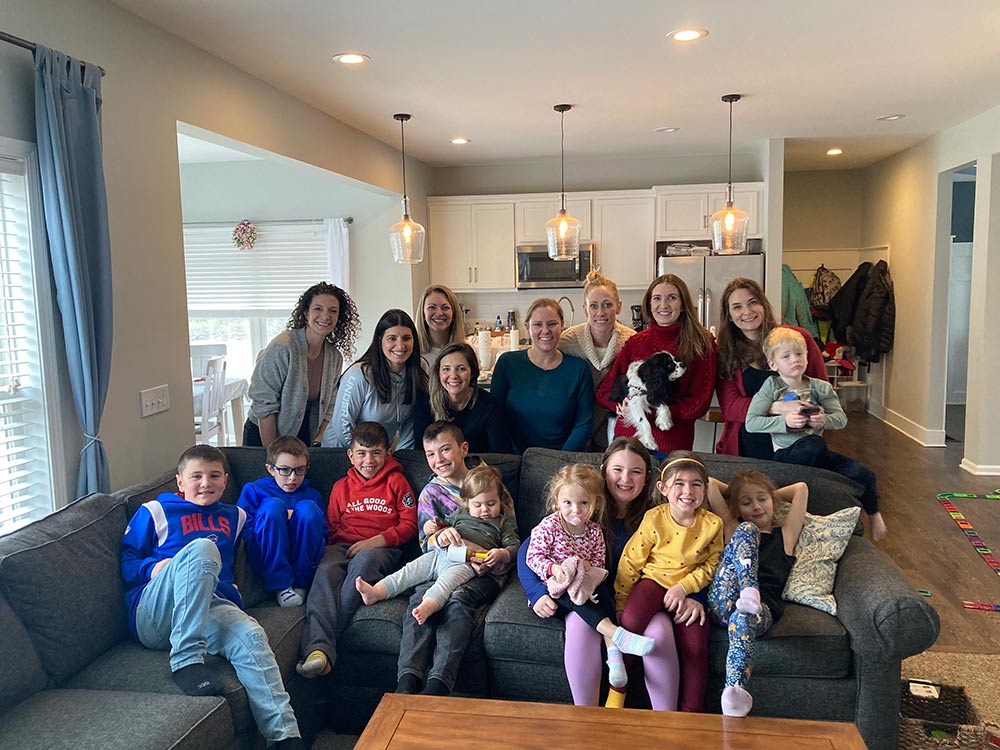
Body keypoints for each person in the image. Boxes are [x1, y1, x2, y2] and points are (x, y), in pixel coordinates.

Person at [120, 445, 304, 750]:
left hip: (211, 606)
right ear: (180, 482)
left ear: (225, 480)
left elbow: (265, 550)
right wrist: (154, 569)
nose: (205, 483)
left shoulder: (236, 516)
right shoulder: (156, 510)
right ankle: (186, 659)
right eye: (196, 476)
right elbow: (127, 561)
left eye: (214, 475)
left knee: (253, 637)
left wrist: (287, 518)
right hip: (155, 610)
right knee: (204, 547)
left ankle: (285, 737)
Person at [516, 438, 685, 709]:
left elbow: (683, 556)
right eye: (617, 469)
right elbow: (529, 549)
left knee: (660, 632)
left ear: (648, 478)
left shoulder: (659, 515)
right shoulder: (581, 504)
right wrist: (535, 593)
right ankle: (586, 720)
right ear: (604, 470)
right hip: (586, 597)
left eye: (636, 472)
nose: (625, 479)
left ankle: (668, 723)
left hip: (639, 599)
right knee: (580, 626)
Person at [388, 421, 510, 696]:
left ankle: (439, 683)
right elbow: (427, 545)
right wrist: (458, 549)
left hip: (485, 572)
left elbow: (510, 536)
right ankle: (407, 681)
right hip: (443, 565)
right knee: (420, 601)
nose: (438, 459)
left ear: (463, 449)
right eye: (431, 454)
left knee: (456, 601)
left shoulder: (490, 483)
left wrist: (487, 557)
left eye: (445, 450)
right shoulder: (431, 494)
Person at [297, 422, 417, 678]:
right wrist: (335, 550)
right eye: (361, 453)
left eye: (376, 453)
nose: (369, 460)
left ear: (388, 454)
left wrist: (375, 541)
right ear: (350, 455)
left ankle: (326, 645)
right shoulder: (341, 486)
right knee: (326, 572)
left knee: (363, 566)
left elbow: (410, 525)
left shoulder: (397, 482)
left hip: (381, 549)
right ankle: (317, 652)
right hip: (341, 545)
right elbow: (331, 526)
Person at [524, 464, 656, 695]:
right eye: (568, 503)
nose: (576, 509)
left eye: (583, 503)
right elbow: (532, 556)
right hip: (556, 589)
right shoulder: (549, 526)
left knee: (603, 593)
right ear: (557, 501)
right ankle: (616, 637)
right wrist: (553, 568)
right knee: (576, 593)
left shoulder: (594, 531)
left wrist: (588, 567)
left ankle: (614, 658)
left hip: (585, 586)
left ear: (595, 502)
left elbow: (599, 562)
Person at [745, 327, 887, 540]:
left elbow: (841, 419)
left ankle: (874, 514)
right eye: (786, 356)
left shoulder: (821, 387)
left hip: (818, 453)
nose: (795, 360)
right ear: (773, 364)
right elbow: (751, 423)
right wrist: (784, 422)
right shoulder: (771, 386)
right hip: (786, 453)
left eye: (799, 354)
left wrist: (823, 419)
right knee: (813, 444)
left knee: (864, 473)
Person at [615, 452, 723, 713]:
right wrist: (620, 601)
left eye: (696, 484)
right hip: (653, 580)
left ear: (706, 489)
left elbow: (712, 566)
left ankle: (691, 713)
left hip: (688, 590)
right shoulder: (654, 517)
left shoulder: (713, 524)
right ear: (663, 488)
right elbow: (632, 559)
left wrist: (685, 588)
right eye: (679, 484)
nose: (688, 491)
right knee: (629, 623)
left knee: (696, 645)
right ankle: (617, 691)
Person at [356, 462, 519, 625]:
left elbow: (514, 546)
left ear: (500, 501)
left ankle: (427, 606)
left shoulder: (501, 524)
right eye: (478, 505)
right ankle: (376, 592)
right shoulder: (459, 514)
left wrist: (502, 554)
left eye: (491, 504)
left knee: (445, 584)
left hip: (463, 564)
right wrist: (430, 526)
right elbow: (440, 524)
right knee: (408, 571)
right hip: (438, 554)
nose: (485, 510)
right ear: (467, 503)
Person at [704, 471, 808, 717]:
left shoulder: (786, 536)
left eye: (762, 499)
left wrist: (769, 494)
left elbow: (801, 487)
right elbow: (709, 483)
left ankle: (734, 692)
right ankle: (749, 590)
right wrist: (738, 490)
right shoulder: (734, 527)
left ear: (773, 501)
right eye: (746, 502)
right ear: (736, 508)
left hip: (760, 611)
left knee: (742, 618)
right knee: (748, 529)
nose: (757, 506)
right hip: (725, 597)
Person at [597, 275, 716, 455]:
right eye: (657, 298)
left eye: (672, 298)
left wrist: (650, 408)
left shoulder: (702, 344)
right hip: (625, 444)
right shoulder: (635, 342)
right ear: (649, 305)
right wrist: (620, 406)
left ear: (683, 304)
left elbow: (698, 404)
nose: (664, 305)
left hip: (670, 445)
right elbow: (604, 391)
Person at [715, 277, 827, 458]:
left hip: (798, 442)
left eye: (753, 303)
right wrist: (778, 407)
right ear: (728, 315)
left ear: (764, 305)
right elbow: (731, 407)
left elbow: (822, 391)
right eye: (737, 307)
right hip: (749, 445)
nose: (747, 311)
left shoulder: (799, 338)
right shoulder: (725, 352)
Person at [245, 281, 361, 447]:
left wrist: (318, 438)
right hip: (264, 435)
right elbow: (264, 405)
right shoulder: (282, 347)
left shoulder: (334, 357)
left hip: (304, 436)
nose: (325, 316)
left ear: (338, 317)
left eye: (333, 311)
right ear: (306, 313)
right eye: (318, 309)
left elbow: (331, 405)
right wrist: (273, 453)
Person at [491, 298, 593, 452]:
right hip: (516, 459)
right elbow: (496, 418)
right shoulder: (508, 364)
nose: (545, 331)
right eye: (538, 324)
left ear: (562, 325)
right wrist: (517, 459)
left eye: (552, 324)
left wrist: (559, 460)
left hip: (563, 462)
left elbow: (584, 423)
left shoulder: (578, 369)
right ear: (527, 327)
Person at [237, 436, 327, 608]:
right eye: (284, 470)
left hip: (302, 555)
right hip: (267, 554)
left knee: (308, 509)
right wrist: (281, 519)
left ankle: (301, 584)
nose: (292, 478)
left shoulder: (312, 494)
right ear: (270, 469)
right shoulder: (254, 490)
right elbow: (244, 529)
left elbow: (322, 531)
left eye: (300, 470)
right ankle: (281, 585)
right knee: (272, 506)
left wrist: (296, 518)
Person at [323, 309, 426, 450]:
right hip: (342, 450)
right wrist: (363, 456)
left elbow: (409, 424)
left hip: (379, 456)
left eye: (406, 338)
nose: (400, 345)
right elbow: (342, 424)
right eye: (392, 338)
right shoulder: (359, 374)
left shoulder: (419, 370)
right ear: (379, 340)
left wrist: (404, 458)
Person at [559, 269, 636, 450]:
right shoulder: (568, 341)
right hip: (574, 426)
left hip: (615, 425)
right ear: (585, 309)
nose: (600, 312)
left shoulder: (631, 341)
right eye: (594, 306)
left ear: (619, 306)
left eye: (607, 305)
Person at [413, 343, 510, 453]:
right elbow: (420, 453)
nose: (453, 375)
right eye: (446, 369)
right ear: (438, 372)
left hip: (479, 468)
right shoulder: (425, 403)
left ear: (472, 372)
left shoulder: (491, 407)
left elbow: (500, 457)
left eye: (461, 369)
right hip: (437, 468)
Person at [416, 284, 467, 367]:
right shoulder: (414, 352)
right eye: (432, 307)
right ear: (423, 314)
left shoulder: (466, 351)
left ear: (454, 314)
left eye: (445, 307)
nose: (439, 313)